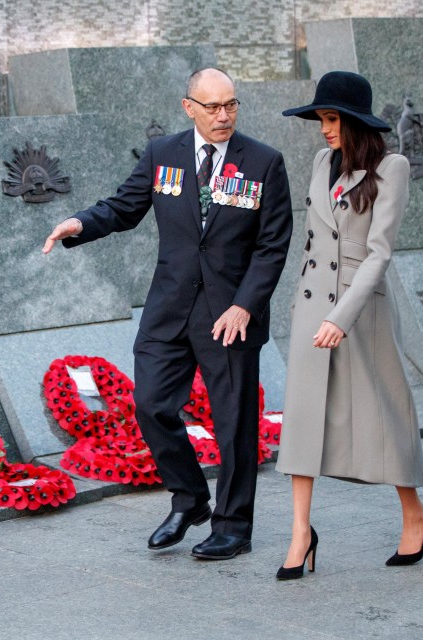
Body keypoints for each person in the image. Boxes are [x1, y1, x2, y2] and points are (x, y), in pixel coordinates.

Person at [42, 67, 293, 560]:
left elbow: (272, 245)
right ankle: (190, 497)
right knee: (152, 405)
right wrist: (79, 224)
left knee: (234, 427)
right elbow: (123, 207)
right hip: (170, 308)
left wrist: (245, 305)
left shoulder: (264, 162)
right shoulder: (164, 155)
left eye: (231, 105)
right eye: (213, 107)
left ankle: (233, 526)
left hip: (229, 315)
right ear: (188, 107)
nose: (224, 116)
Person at [274, 71, 423, 580]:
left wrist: (340, 318)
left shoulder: (393, 168)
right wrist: (311, 315)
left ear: (355, 122)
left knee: (382, 417)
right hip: (309, 305)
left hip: (360, 313)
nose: (323, 129)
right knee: (300, 421)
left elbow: (378, 255)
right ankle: (301, 533)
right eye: (321, 119)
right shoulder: (323, 162)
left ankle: (415, 512)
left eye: (331, 119)